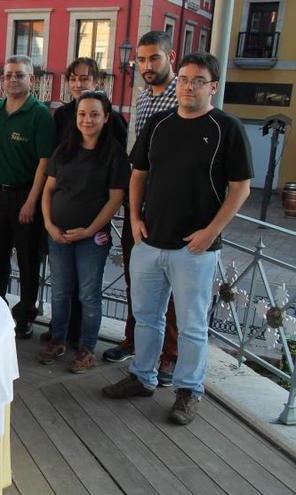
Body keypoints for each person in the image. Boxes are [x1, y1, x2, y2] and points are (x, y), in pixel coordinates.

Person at [103, 53, 252, 425]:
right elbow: (138, 174)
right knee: (146, 318)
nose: (187, 86)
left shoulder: (227, 128)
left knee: (191, 325)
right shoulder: (158, 123)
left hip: (195, 249)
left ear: (212, 87)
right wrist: (134, 218)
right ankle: (142, 377)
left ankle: (188, 391)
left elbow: (241, 189)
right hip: (150, 242)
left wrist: (211, 232)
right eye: (183, 79)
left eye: (197, 80)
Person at [102, 31, 182, 388]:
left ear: (171, 57)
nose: (147, 66)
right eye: (142, 60)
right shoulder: (143, 97)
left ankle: (170, 356)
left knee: (171, 290)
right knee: (138, 279)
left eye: (154, 59)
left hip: (172, 207)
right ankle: (134, 341)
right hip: (141, 204)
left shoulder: (184, 95)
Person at [38, 91, 130, 373]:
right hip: (59, 235)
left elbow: (115, 199)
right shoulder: (64, 149)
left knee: (89, 295)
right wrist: (49, 224)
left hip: (92, 239)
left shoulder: (114, 154)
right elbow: (48, 189)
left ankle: (87, 348)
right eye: (82, 114)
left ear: (105, 118)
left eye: (94, 114)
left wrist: (90, 230)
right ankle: (58, 340)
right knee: (60, 292)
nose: (87, 120)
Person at [0, 55, 55, 338]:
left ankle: (24, 315)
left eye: (19, 75)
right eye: (8, 75)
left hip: (26, 197)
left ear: (31, 79)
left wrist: (32, 201)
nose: (13, 79)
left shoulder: (40, 115)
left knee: (27, 261)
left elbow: (44, 164)